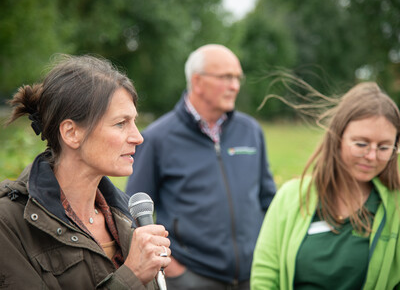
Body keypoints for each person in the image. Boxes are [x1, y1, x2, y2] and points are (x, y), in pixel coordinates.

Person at [0, 55, 171, 289]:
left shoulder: (126, 216)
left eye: (134, 122)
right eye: (121, 123)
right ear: (71, 133)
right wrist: (131, 276)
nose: (138, 137)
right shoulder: (8, 223)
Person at [125, 44, 276, 290]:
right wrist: (173, 268)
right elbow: (133, 213)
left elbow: (268, 200)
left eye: (238, 77)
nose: (235, 85)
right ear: (197, 81)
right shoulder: (157, 138)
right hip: (191, 278)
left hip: (253, 276)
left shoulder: (251, 132)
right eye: (226, 77)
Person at [251, 82, 400, 289]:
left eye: (384, 147)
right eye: (361, 144)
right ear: (337, 138)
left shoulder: (396, 207)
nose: (372, 156)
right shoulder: (290, 197)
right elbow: (265, 276)